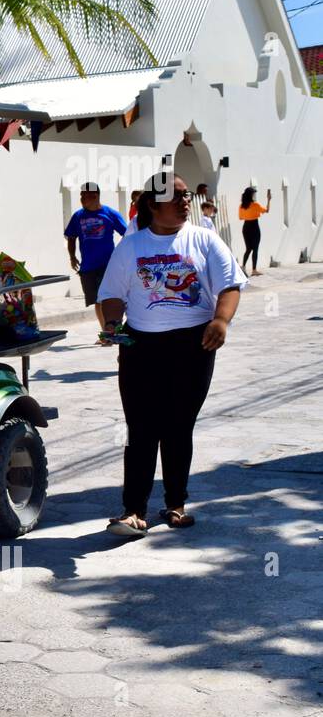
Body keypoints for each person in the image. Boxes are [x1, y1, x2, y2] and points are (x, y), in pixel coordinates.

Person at [98, 173, 244, 536]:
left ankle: (175, 503)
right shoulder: (131, 247)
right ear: (152, 203)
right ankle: (133, 510)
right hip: (141, 346)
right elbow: (111, 295)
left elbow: (229, 285)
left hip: (194, 345)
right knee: (141, 428)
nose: (185, 202)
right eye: (176, 196)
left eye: (186, 195)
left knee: (179, 425)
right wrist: (113, 322)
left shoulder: (204, 239)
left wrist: (221, 320)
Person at [65, 181, 127, 332]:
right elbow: (71, 237)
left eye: (84, 196)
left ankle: (114, 328)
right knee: (97, 300)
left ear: (95, 196)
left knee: (110, 297)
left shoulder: (110, 214)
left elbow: (127, 234)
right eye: (80, 195)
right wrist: (72, 257)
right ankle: (106, 331)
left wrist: (121, 254)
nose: (81, 199)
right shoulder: (78, 216)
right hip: (88, 266)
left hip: (109, 265)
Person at [238, 186, 271, 276]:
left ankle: (243, 267)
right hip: (254, 227)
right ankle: (254, 270)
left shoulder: (241, 206)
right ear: (251, 195)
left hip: (245, 227)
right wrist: (269, 200)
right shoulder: (255, 205)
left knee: (248, 249)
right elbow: (267, 210)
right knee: (255, 248)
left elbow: (241, 218)